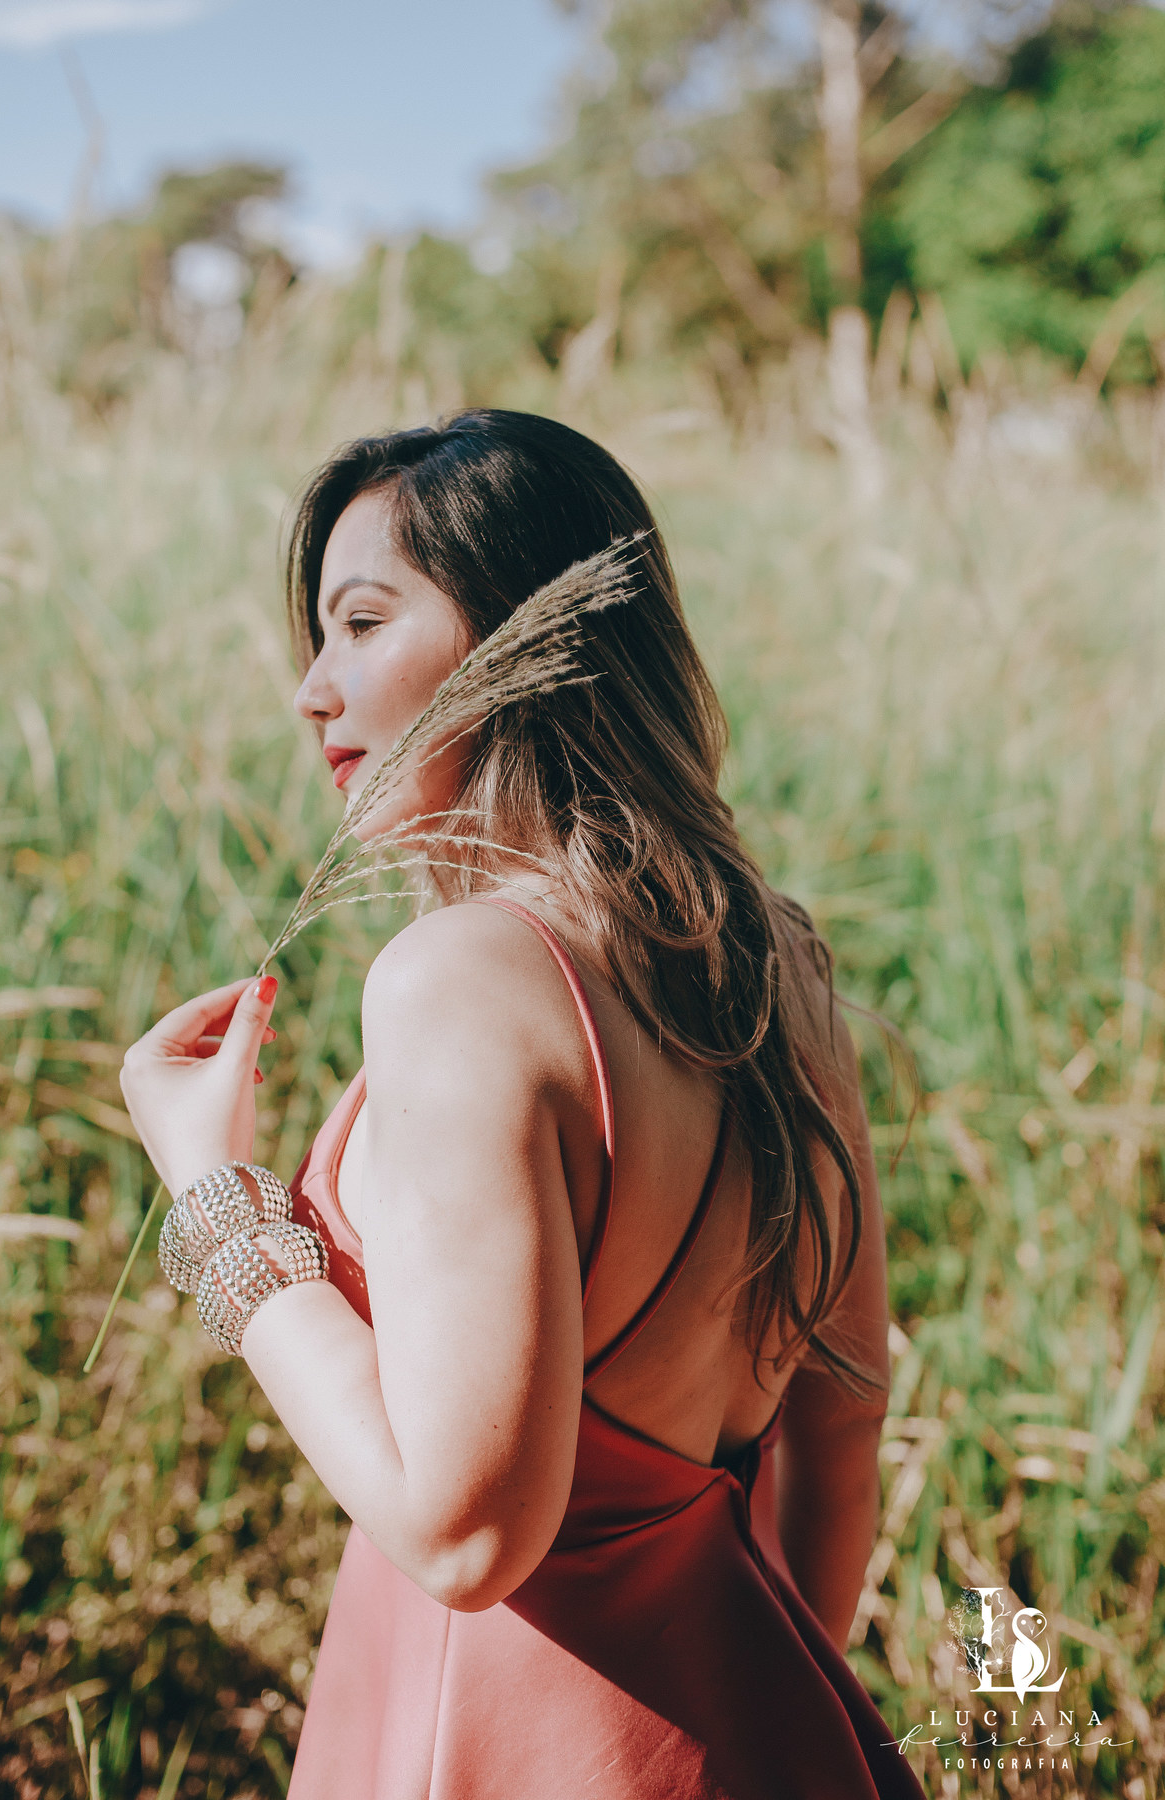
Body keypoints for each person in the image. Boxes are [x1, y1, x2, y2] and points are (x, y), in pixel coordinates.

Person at [120, 410, 923, 1799]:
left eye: (361, 624)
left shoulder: (460, 978)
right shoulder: (776, 962)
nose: (313, 691)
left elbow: (466, 1536)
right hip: (751, 1716)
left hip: (496, 1734)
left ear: (516, 639)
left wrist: (216, 1207)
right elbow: (842, 1407)